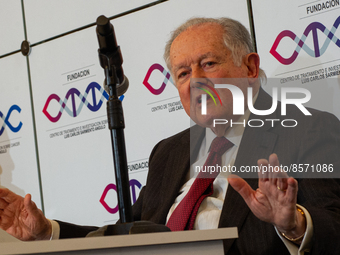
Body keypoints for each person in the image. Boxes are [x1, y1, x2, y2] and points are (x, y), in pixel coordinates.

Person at [1, 17, 340, 254]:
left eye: (207, 64)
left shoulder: (307, 129)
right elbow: (126, 236)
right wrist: (48, 231)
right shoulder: (169, 152)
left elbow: (334, 225)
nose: (195, 81)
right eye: (182, 72)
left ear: (250, 68)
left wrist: (294, 224)